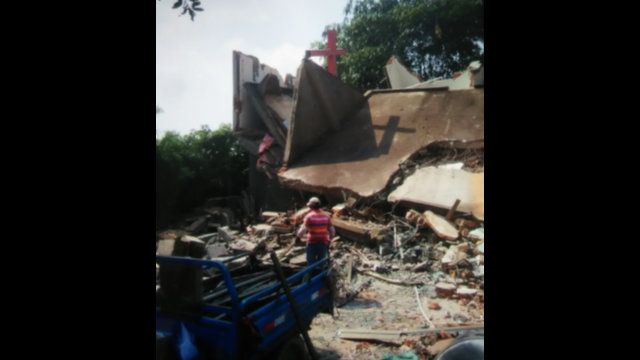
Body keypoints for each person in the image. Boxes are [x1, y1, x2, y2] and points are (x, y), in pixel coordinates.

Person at [296, 197, 335, 266]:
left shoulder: (309, 216)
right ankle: (321, 274)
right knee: (321, 262)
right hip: (323, 242)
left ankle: (311, 274)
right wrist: (330, 239)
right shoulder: (326, 216)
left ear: (311, 206)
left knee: (310, 262)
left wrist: (298, 237)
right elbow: (332, 230)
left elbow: (303, 229)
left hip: (312, 242)